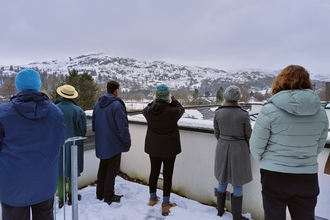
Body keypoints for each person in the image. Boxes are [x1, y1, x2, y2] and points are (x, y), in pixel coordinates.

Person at [249, 65, 329, 220]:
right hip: (307, 177)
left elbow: (256, 146)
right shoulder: (320, 113)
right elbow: (318, 146)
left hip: (275, 177)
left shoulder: (269, 110)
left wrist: (269, 163)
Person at [0, 68, 66, 220]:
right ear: (38, 85)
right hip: (45, 182)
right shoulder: (55, 112)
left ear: (18, 86)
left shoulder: (3, 113)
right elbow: (59, 141)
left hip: (13, 186)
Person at [142, 84, 185, 216]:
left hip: (153, 147)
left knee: (154, 172)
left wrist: (155, 100)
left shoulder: (148, 111)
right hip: (169, 148)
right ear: (167, 96)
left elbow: (148, 107)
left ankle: (152, 198)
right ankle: (165, 204)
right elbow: (181, 108)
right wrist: (172, 99)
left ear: (156, 97)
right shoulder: (172, 112)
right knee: (167, 175)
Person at [213, 85, 252, 220]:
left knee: (222, 179)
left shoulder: (218, 112)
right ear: (238, 98)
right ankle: (236, 216)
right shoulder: (243, 114)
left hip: (222, 147)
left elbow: (216, 133)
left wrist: (225, 141)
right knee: (237, 182)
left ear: (225, 97)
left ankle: (219, 212)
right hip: (239, 149)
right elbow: (249, 135)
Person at [92, 80, 131, 205]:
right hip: (114, 144)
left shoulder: (98, 104)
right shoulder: (116, 105)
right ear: (116, 90)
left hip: (102, 142)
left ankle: (100, 193)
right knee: (111, 169)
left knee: (103, 166)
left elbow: (93, 125)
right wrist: (126, 142)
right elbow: (122, 127)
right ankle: (108, 195)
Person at [55, 84, 87, 208]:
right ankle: (72, 196)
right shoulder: (78, 110)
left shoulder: (54, 109)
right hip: (74, 145)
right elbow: (82, 130)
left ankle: (61, 198)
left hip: (58, 145)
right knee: (73, 170)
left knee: (60, 171)